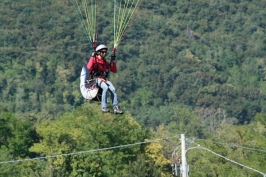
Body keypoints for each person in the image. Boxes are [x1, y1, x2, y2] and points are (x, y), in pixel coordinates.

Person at [86, 44, 123, 114]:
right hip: (95, 79)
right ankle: (104, 107)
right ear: (99, 52)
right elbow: (89, 67)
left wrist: (113, 61)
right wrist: (92, 57)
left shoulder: (105, 62)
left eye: (105, 52)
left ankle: (116, 107)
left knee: (113, 89)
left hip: (104, 79)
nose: (105, 53)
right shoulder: (95, 60)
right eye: (103, 52)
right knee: (105, 87)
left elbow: (114, 70)